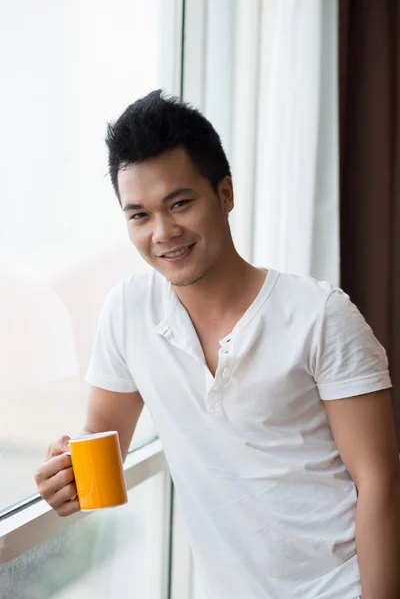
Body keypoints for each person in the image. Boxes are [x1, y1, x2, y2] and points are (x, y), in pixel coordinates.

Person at [35, 90, 400, 599]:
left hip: (341, 585)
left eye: (180, 203)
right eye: (139, 215)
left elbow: (379, 479)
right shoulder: (128, 310)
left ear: (225, 194)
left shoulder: (321, 316)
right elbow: (101, 445)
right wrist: (66, 477)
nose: (163, 232)